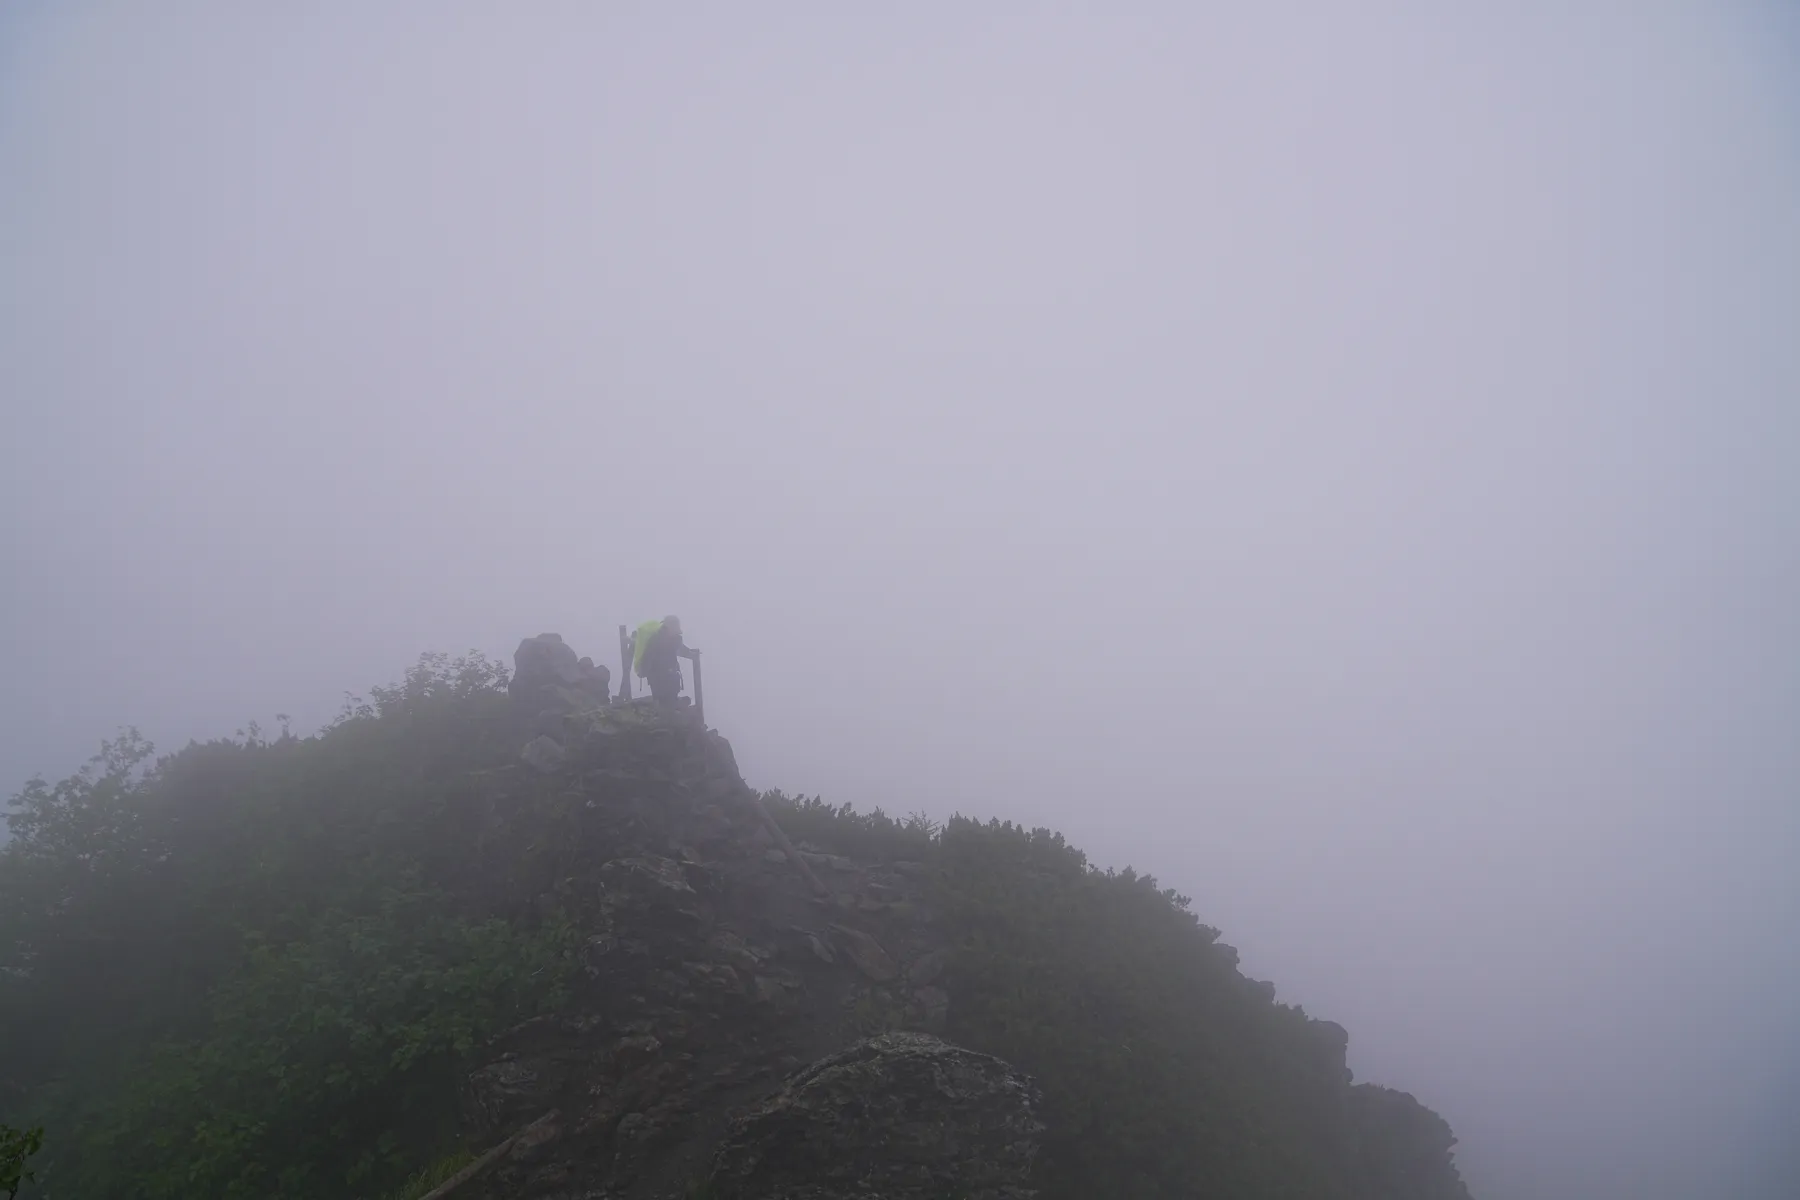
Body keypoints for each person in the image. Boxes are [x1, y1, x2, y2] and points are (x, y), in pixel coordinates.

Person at [633, 615, 698, 705]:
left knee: (667, 704)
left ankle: (667, 715)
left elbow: (681, 648)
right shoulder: (656, 640)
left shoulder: (674, 639)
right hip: (659, 679)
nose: (676, 632)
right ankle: (667, 716)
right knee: (665, 705)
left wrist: (691, 652)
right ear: (668, 628)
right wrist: (643, 671)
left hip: (667, 678)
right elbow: (648, 657)